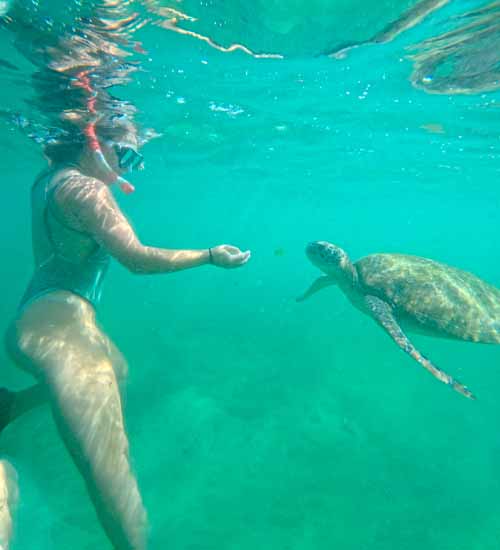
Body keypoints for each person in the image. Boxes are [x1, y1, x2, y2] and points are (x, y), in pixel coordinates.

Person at [1, 114, 251, 549]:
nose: (128, 169)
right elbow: (136, 260)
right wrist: (210, 256)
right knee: (112, 472)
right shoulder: (88, 191)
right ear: (93, 143)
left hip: (44, 312)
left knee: (119, 371)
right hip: (61, 331)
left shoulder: (49, 177)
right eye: (128, 155)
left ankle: (12, 406)